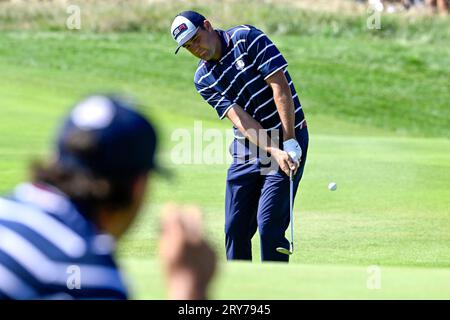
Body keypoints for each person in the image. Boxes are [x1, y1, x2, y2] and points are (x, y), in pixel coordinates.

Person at [0, 94, 216, 299]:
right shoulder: (82, 267)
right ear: (137, 187)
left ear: (55, 158)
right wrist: (188, 285)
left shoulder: (7, 209)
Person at [171, 11, 309, 262]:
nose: (195, 48)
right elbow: (241, 120)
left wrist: (288, 142)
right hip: (248, 148)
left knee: (269, 226)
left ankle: (273, 289)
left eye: (196, 39)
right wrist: (273, 150)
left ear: (208, 25)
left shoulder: (246, 39)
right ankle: (239, 291)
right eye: (188, 46)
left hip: (288, 134)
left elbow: (280, 87)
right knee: (235, 228)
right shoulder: (203, 79)